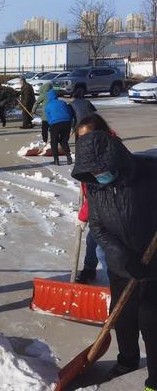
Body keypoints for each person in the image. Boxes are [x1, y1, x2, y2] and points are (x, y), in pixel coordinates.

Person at [72, 130, 157, 389]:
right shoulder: (96, 187)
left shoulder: (148, 173)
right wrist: (121, 255)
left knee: (151, 320)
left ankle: (155, 378)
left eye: (103, 169)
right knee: (123, 316)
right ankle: (127, 359)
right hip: (122, 264)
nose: (100, 175)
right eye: (94, 172)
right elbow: (98, 227)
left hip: (153, 264)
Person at [75, 113, 114, 284]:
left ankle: (117, 284)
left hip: (113, 210)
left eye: (87, 137)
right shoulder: (90, 153)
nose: (84, 141)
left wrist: (83, 215)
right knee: (92, 241)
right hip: (99, 209)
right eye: (80, 138)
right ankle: (89, 270)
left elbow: (97, 192)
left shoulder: (107, 155)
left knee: (102, 250)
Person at [45, 90, 73, 165]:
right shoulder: (63, 103)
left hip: (55, 124)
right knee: (64, 141)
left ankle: (56, 160)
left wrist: (51, 124)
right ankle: (69, 157)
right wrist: (69, 121)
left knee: (54, 142)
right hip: (67, 122)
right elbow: (70, 113)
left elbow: (48, 117)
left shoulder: (48, 106)